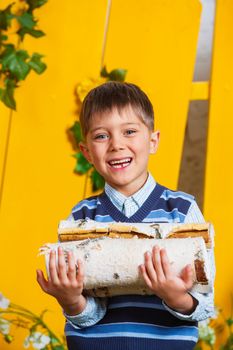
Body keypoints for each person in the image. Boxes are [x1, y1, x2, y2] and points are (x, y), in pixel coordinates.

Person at [37, 81, 215, 350]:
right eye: (101, 136)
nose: (116, 145)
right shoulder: (80, 218)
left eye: (129, 131)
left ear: (152, 141)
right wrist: (71, 299)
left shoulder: (182, 211)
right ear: (87, 152)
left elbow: (204, 307)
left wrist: (176, 297)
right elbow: (87, 316)